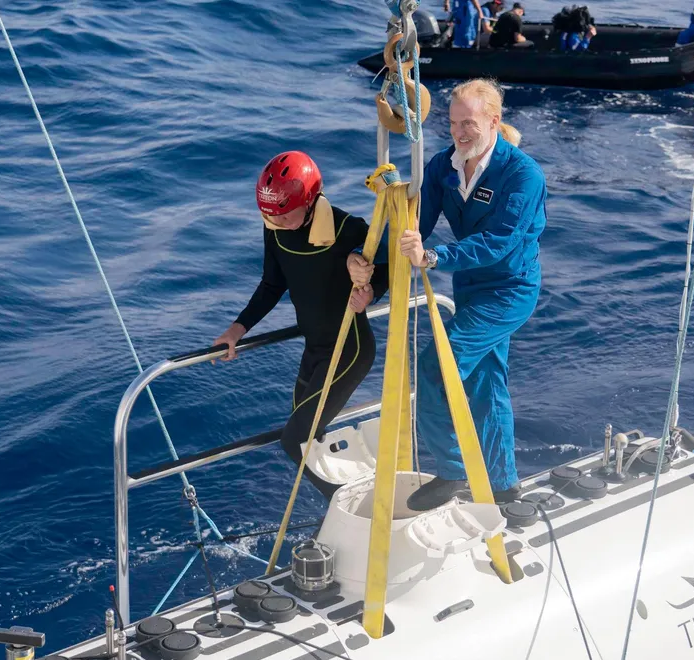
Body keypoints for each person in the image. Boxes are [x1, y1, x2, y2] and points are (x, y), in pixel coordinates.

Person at [347, 78, 547, 510]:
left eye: (469, 124)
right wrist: (368, 261)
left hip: (509, 291)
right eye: (454, 123)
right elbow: (412, 225)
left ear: (494, 122)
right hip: (469, 286)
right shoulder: (442, 166)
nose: (459, 132)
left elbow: (501, 241)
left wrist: (434, 257)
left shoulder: (523, 175)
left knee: (438, 364)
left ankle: (454, 471)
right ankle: (505, 488)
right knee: (487, 383)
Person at [214, 151, 389, 501]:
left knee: (294, 440)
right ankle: (352, 501)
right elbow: (271, 285)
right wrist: (237, 329)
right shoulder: (275, 229)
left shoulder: (345, 228)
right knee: (310, 438)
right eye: (268, 215)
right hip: (314, 350)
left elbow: (388, 260)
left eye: (282, 214)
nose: (274, 221)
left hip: (349, 349)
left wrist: (370, 292)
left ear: (309, 201)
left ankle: (349, 508)